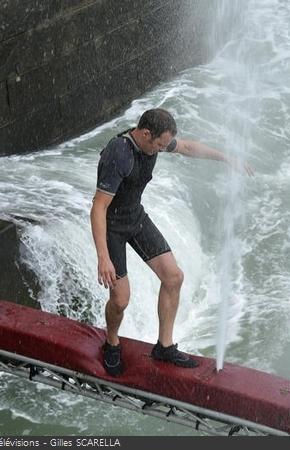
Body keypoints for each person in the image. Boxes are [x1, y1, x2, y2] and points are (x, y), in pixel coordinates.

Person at [91, 108, 253, 375]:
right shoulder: (118, 154)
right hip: (112, 227)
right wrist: (103, 257)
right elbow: (98, 207)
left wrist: (227, 158)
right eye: (160, 144)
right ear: (145, 134)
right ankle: (111, 342)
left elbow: (187, 147)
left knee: (173, 276)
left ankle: (164, 347)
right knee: (120, 299)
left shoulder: (154, 142)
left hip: (135, 217)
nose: (163, 149)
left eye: (165, 144)